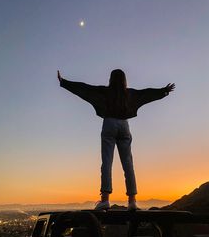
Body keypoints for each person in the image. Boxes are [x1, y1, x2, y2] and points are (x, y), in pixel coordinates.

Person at [57, 69, 175, 210]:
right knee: (128, 164)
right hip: (124, 126)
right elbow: (146, 93)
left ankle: (105, 200)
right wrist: (163, 91)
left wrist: (64, 82)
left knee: (107, 162)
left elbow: (84, 89)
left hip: (109, 124)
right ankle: (132, 201)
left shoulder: (105, 92)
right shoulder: (129, 93)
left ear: (111, 79)